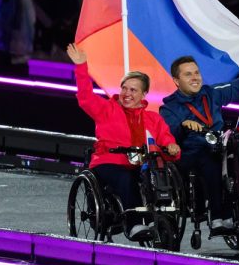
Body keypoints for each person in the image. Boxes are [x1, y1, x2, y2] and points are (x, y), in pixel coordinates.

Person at [161, 32, 239, 233]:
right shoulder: (169, 107)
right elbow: (169, 135)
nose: (195, 77)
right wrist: (183, 125)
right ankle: (218, 216)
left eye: (196, 73)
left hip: (217, 146)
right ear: (176, 80)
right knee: (209, 157)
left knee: (236, 147)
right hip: (189, 154)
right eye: (188, 74)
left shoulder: (212, 93)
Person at [66, 43, 181, 240]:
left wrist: (171, 146)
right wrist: (81, 67)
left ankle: (161, 219)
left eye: (133, 90)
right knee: (126, 178)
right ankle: (134, 224)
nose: (127, 94)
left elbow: (165, 138)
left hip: (142, 164)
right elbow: (85, 98)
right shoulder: (107, 110)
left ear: (144, 95)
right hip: (108, 162)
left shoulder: (153, 119)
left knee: (159, 177)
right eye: (124, 88)